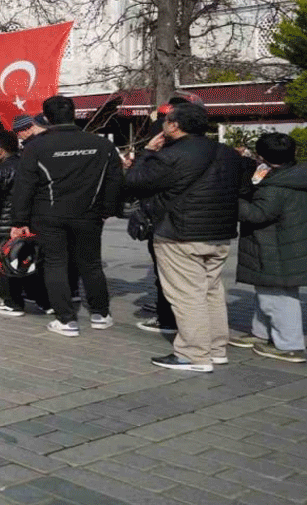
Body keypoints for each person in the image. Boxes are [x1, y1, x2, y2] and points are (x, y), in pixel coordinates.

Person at [125, 101, 242, 371]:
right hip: (218, 232)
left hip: (180, 233)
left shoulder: (171, 155)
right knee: (211, 291)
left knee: (187, 295)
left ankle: (193, 353)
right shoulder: (228, 153)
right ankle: (216, 348)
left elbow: (135, 182)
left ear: (174, 125)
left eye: (167, 120)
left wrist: (145, 153)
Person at [13, 96, 124, 338]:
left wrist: (19, 221)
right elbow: (115, 180)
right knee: (91, 263)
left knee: (55, 264)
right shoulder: (102, 145)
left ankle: (66, 319)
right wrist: (107, 209)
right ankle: (100, 314)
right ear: (73, 114)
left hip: (48, 215)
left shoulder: (36, 147)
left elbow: (24, 187)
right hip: (89, 214)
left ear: (47, 118)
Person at [229, 133, 306, 363]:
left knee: (277, 296)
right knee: (269, 292)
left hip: (276, 247)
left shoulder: (276, 186)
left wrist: (235, 200)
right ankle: (261, 333)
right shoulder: (292, 175)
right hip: (287, 243)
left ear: (262, 155)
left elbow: (257, 214)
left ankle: (289, 344)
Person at [0, 130, 50, 316]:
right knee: (29, 265)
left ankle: (12, 303)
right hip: (26, 226)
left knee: (3, 267)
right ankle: (45, 302)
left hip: (0, 230)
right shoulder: (28, 166)